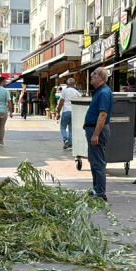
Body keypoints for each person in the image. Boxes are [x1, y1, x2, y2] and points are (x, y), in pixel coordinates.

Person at [84, 67, 114, 202]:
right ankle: (96, 188)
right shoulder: (100, 92)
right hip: (93, 129)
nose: (91, 76)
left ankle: (100, 193)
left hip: (98, 131)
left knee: (98, 162)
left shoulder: (103, 93)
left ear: (101, 77)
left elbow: (103, 114)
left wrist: (96, 134)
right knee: (94, 161)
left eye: (94, 74)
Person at [57, 78, 80, 150]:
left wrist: (58, 112)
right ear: (74, 84)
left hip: (66, 110)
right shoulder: (77, 92)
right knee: (71, 129)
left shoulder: (64, 91)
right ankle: (70, 145)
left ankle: (65, 139)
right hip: (73, 111)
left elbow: (61, 102)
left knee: (63, 127)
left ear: (67, 83)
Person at [125, 77, 136, 153]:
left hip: (128, 111)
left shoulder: (125, 92)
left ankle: (128, 146)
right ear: (135, 83)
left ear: (127, 82)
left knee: (128, 128)